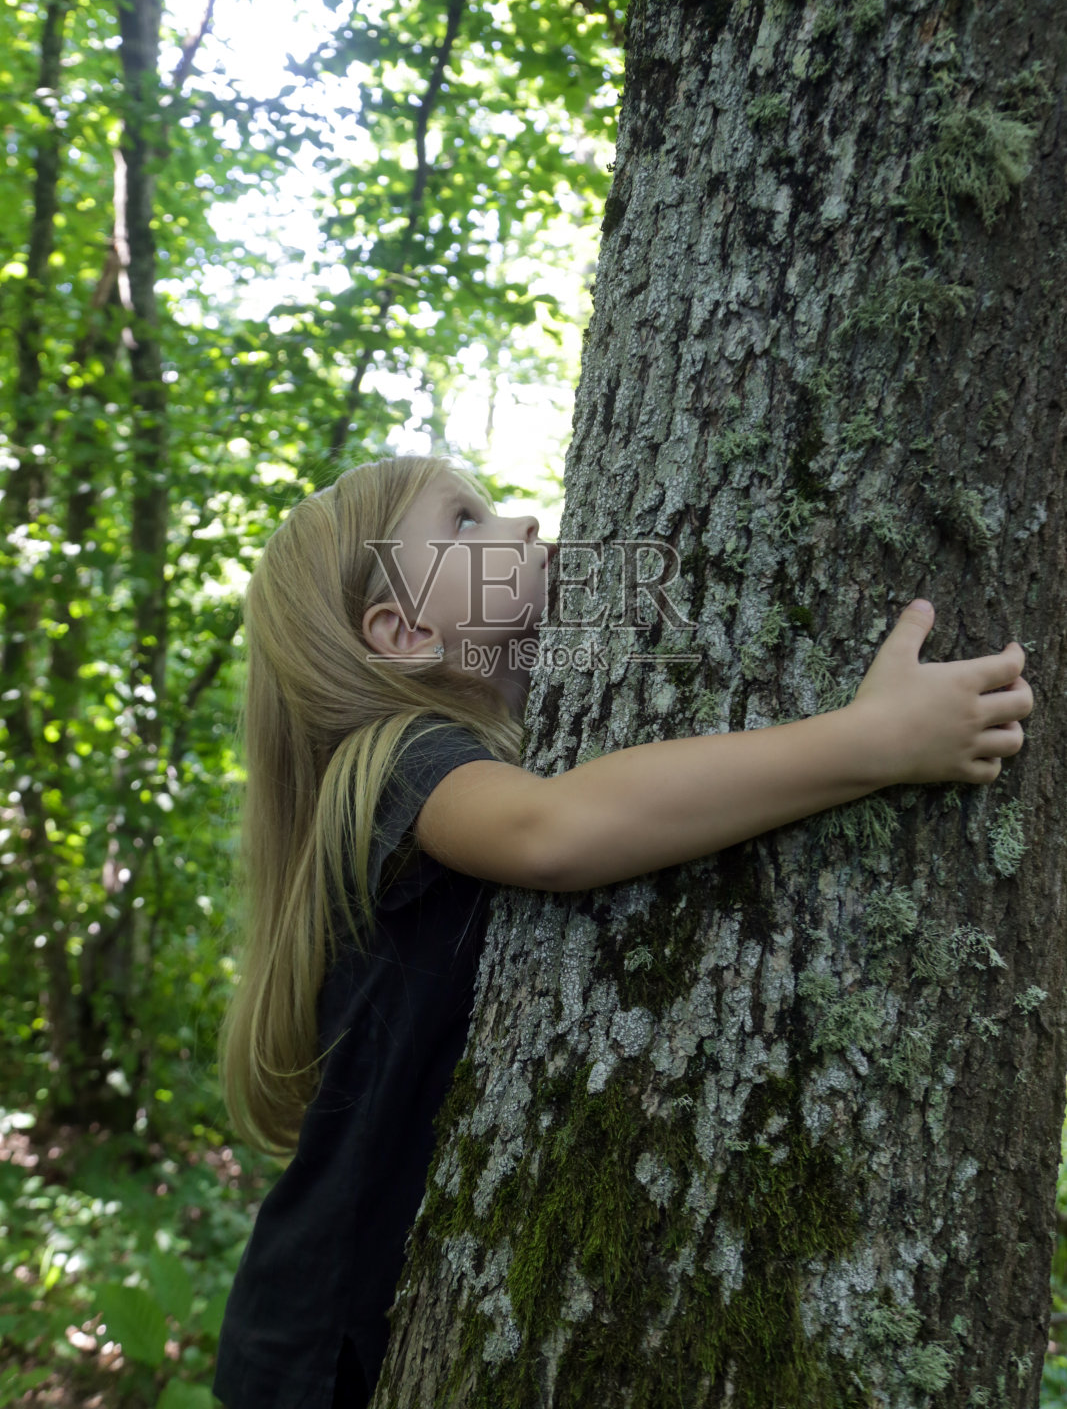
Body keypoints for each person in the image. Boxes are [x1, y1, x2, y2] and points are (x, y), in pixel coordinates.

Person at [212, 453, 1033, 1409]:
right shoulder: (394, 759)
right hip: (322, 1342)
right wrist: (870, 742)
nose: (521, 528)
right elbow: (556, 831)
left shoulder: (483, 751)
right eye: (466, 526)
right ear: (402, 632)